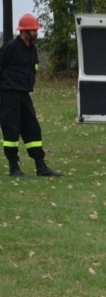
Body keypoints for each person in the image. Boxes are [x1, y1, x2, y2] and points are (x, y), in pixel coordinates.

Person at [0, 14, 62, 177]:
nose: (36, 32)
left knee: (33, 129)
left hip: (24, 95)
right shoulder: (10, 48)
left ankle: (41, 166)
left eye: (36, 29)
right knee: (11, 132)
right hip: (9, 95)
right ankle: (14, 167)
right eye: (33, 30)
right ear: (23, 31)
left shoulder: (32, 49)